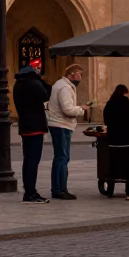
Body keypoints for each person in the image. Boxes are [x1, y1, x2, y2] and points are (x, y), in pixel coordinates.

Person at [46, 63, 87, 200]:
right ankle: (60, 189)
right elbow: (68, 110)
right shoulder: (64, 87)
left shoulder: (63, 85)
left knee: (60, 157)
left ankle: (58, 188)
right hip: (61, 125)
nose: (80, 77)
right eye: (79, 74)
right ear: (71, 74)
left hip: (60, 124)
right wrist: (81, 109)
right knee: (62, 158)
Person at [12, 61, 52, 203]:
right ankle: (31, 193)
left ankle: (28, 191)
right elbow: (47, 94)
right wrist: (39, 79)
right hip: (36, 126)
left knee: (28, 160)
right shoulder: (34, 83)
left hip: (24, 125)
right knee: (33, 161)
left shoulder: (18, 84)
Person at [102, 84, 129, 200]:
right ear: (125, 93)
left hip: (113, 141)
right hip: (128, 141)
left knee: (113, 167)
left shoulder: (109, 104)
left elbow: (105, 121)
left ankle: (110, 191)